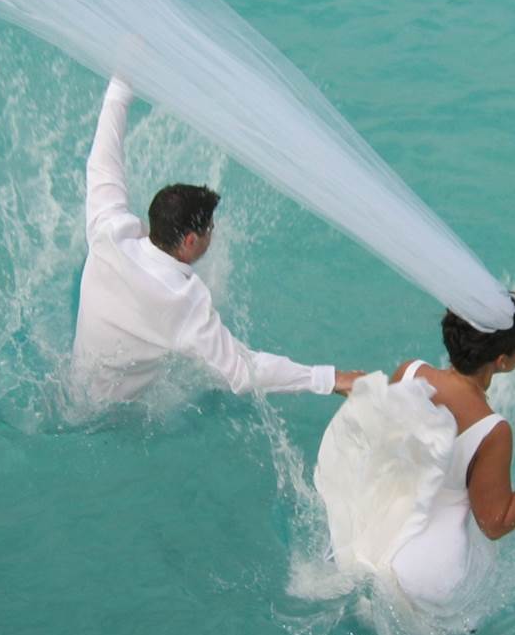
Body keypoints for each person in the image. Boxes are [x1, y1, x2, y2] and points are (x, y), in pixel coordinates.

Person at [70, 75, 362, 404]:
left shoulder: (110, 232)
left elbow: (103, 163)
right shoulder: (183, 300)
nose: (215, 233)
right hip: (112, 417)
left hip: (73, 390)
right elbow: (242, 371)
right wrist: (329, 379)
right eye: (210, 229)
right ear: (191, 240)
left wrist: (121, 85)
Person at [313, 292, 515, 612]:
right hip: (424, 570)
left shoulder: (411, 372)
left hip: (370, 525)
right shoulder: (492, 430)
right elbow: (495, 523)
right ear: (503, 361)